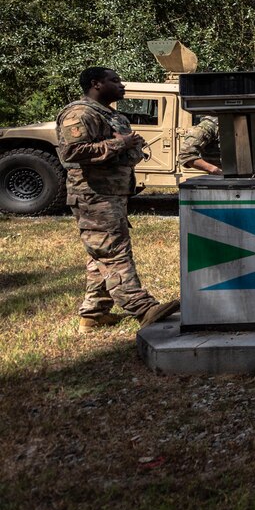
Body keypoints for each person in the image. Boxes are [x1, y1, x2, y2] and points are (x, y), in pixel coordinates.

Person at [57, 67, 180, 333]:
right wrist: (120, 144)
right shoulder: (80, 113)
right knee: (113, 252)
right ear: (96, 84)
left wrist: (129, 145)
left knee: (101, 252)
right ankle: (142, 307)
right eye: (115, 80)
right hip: (93, 195)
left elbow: (133, 153)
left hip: (112, 193)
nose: (121, 85)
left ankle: (93, 313)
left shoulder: (112, 115)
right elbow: (72, 151)